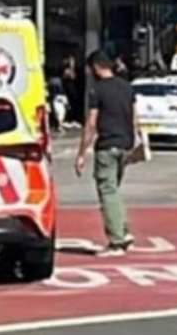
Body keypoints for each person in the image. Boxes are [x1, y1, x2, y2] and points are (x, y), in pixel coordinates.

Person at [74, 51, 139, 257]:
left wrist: (82, 153)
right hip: (125, 145)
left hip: (107, 145)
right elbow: (135, 117)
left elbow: (91, 123)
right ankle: (124, 232)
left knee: (107, 191)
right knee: (114, 190)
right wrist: (135, 141)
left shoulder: (97, 90)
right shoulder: (127, 87)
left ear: (95, 67)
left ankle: (116, 241)